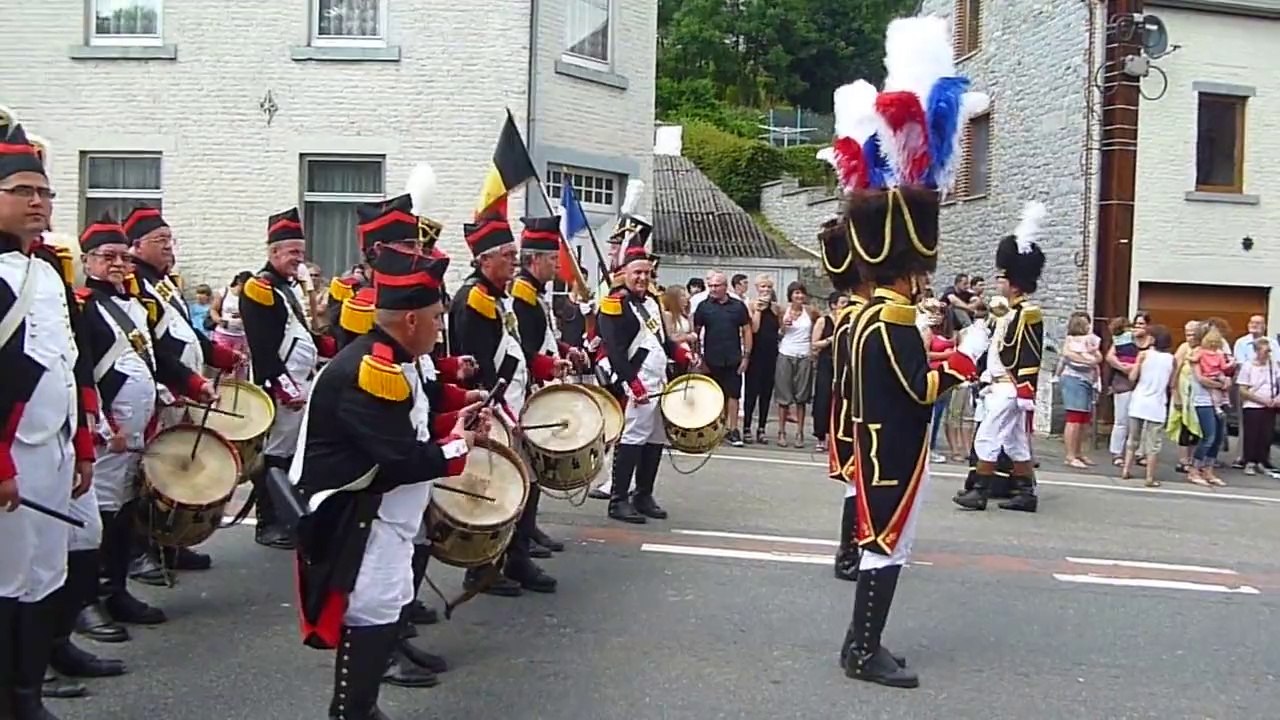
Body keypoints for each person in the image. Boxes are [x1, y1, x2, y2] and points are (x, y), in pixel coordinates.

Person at [819, 23, 988, 688]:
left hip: (873, 440)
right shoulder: (887, 318)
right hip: (892, 448)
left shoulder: (865, 315)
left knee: (880, 543)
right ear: (910, 268)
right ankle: (862, 649)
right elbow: (919, 387)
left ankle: (861, 642)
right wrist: (967, 355)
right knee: (887, 545)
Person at [292, 244, 482, 720]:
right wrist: (459, 445)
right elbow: (399, 460)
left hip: (387, 517)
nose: (442, 329)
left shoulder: (396, 360)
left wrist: (454, 422)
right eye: (437, 318)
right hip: (358, 518)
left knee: (388, 607)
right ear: (411, 320)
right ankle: (350, 712)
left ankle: (361, 707)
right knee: (369, 613)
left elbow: (409, 429)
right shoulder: (370, 370)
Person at [0, 117, 99, 719]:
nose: (38, 203)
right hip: (11, 457)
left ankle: (29, 689)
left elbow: (73, 366)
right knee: (8, 580)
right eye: (22, 191)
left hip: (55, 449)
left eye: (45, 193)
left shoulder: (49, 272)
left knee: (44, 574)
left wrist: (83, 445)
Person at [122, 204, 242, 579]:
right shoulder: (135, 286)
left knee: (168, 473)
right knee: (147, 476)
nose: (169, 247)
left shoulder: (161, 283)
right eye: (160, 240)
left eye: (170, 240)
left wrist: (221, 355)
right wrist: (183, 382)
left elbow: (183, 334)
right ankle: (140, 552)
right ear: (136, 246)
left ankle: (167, 542)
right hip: (161, 391)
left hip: (179, 389)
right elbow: (151, 347)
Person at [448, 208, 556, 595]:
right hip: (491, 413)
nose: (516, 262)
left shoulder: (497, 297)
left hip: (511, 407)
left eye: (515, 255)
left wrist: (540, 366)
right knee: (496, 488)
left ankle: (516, 558)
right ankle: (482, 568)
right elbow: (477, 365)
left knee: (524, 483)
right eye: (508, 256)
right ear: (484, 260)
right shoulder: (475, 299)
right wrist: (497, 410)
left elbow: (511, 350)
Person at [239, 208, 338, 550]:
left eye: (301, 251)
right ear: (273, 253)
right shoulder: (259, 288)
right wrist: (282, 388)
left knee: (294, 453)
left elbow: (297, 333)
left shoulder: (287, 289)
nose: (299, 258)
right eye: (292, 252)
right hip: (283, 390)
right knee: (275, 456)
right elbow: (264, 348)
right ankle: (268, 522)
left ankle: (289, 515)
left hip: (301, 384)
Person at [953, 203, 1048, 513]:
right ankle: (1025, 494)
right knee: (1016, 442)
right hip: (997, 383)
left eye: (1001, 278)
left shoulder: (1029, 313)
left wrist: (1025, 389)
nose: (997, 282)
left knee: (989, 436)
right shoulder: (1003, 309)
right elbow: (987, 337)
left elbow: (1029, 353)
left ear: (1015, 281)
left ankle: (979, 491)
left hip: (1011, 386)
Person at [597, 226, 694, 524]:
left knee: (655, 438)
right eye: (636, 272)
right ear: (625, 272)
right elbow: (614, 349)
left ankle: (644, 494)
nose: (642, 278)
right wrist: (633, 383)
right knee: (632, 438)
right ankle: (619, 499)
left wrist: (682, 354)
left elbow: (662, 342)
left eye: (646, 273)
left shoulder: (652, 302)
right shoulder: (614, 303)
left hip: (658, 380)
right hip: (635, 381)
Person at [510, 214, 583, 555]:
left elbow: (544, 339)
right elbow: (523, 347)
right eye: (553, 259)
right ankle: (521, 534)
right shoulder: (522, 296)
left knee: (534, 466)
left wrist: (566, 350)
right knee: (526, 467)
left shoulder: (534, 293)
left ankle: (529, 528)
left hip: (536, 385)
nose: (558, 266)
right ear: (535, 259)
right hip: (523, 390)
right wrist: (548, 365)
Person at [815, 218, 873, 584]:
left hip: (853, 413)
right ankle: (849, 552)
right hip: (856, 416)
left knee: (861, 486)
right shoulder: (855, 319)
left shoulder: (854, 315)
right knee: (858, 485)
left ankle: (854, 549)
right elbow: (857, 379)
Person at [692, 271, 751, 447]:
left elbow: (747, 330)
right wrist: (697, 356)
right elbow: (696, 331)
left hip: (733, 357)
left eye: (717, 286)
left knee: (733, 394)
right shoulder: (703, 306)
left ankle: (733, 429)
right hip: (711, 358)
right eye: (711, 286)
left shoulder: (738, 306)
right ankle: (714, 429)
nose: (713, 289)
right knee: (713, 395)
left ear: (725, 287)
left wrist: (746, 356)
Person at [1120, 325, 1176, 486]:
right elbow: (1172, 383)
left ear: (1152, 339)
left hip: (1139, 401)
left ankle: (1126, 470)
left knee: (1133, 439)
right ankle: (1150, 478)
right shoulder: (1172, 360)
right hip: (1157, 405)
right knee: (1153, 444)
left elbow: (1132, 376)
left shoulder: (1143, 355)